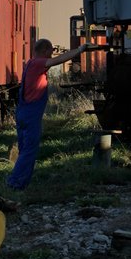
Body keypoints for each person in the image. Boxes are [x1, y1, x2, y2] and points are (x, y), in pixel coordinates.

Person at [6, 38, 102, 191]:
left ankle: (18, 183)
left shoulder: (29, 64)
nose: (51, 56)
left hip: (23, 112)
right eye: (50, 52)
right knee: (29, 151)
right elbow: (58, 60)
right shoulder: (38, 63)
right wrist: (80, 50)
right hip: (31, 114)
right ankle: (15, 183)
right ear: (44, 51)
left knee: (25, 149)